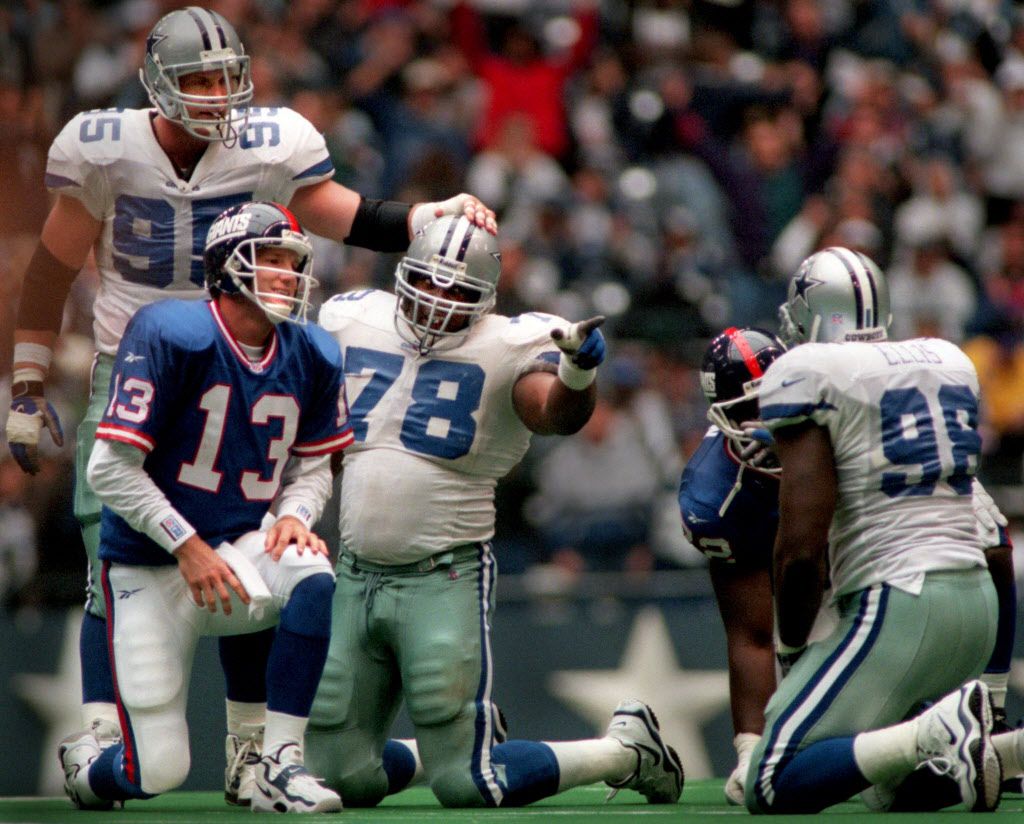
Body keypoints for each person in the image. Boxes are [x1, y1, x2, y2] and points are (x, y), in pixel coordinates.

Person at [3, 5, 495, 806]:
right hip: (140, 362)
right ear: (156, 82)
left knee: (254, 543)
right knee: (111, 560)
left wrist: (426, 219)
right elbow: (52, 270)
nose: (215, 94)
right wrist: (27, 384)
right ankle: (101, 729)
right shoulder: (106, 149)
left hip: (247, 358)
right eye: (197, 78)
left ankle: (251, 750)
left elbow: (342, 215)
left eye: (225, 77)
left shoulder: (269, 144)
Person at [307, 214, 683, 808]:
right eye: (428, 282)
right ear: (405, 274)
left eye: (457, 291)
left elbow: (552, 414)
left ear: (484, 300)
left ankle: (625, 749)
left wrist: (577, 372)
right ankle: (451, 745)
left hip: (443, 575)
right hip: (355, 572)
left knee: (467, 785)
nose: (437, 301)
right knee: (334, 779)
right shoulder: (354, 317)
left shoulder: (506, 344)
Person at [58, 201, 349, 813]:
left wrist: (295, 513)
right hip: (149, 563)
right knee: (158, 770)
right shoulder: (171, 332)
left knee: (313, 576)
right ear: (226, 268)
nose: (285, 275)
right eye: (269, 260)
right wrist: (185, 546)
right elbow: (108, 467)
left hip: (238, 548)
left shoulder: (313, 352)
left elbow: (312, 465)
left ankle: (278, 763)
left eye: (292, 262)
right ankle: (90, 771)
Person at [746, 246, 1003, 813]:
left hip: (900, 604)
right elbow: (995, 537)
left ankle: (932, 733)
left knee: (771, 777)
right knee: (882, 787)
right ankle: (969, 755)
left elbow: (800, 552)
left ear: (813, 315)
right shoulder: (946, 358)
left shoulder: (807, 372)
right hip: (976, 604)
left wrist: (791, 646)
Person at [678, 326, 787, 806]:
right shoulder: (715, 496)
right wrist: (751, 750)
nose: (766, 418)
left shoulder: (839, 400)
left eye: (778, 397)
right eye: (749, 409)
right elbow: (751, 634)